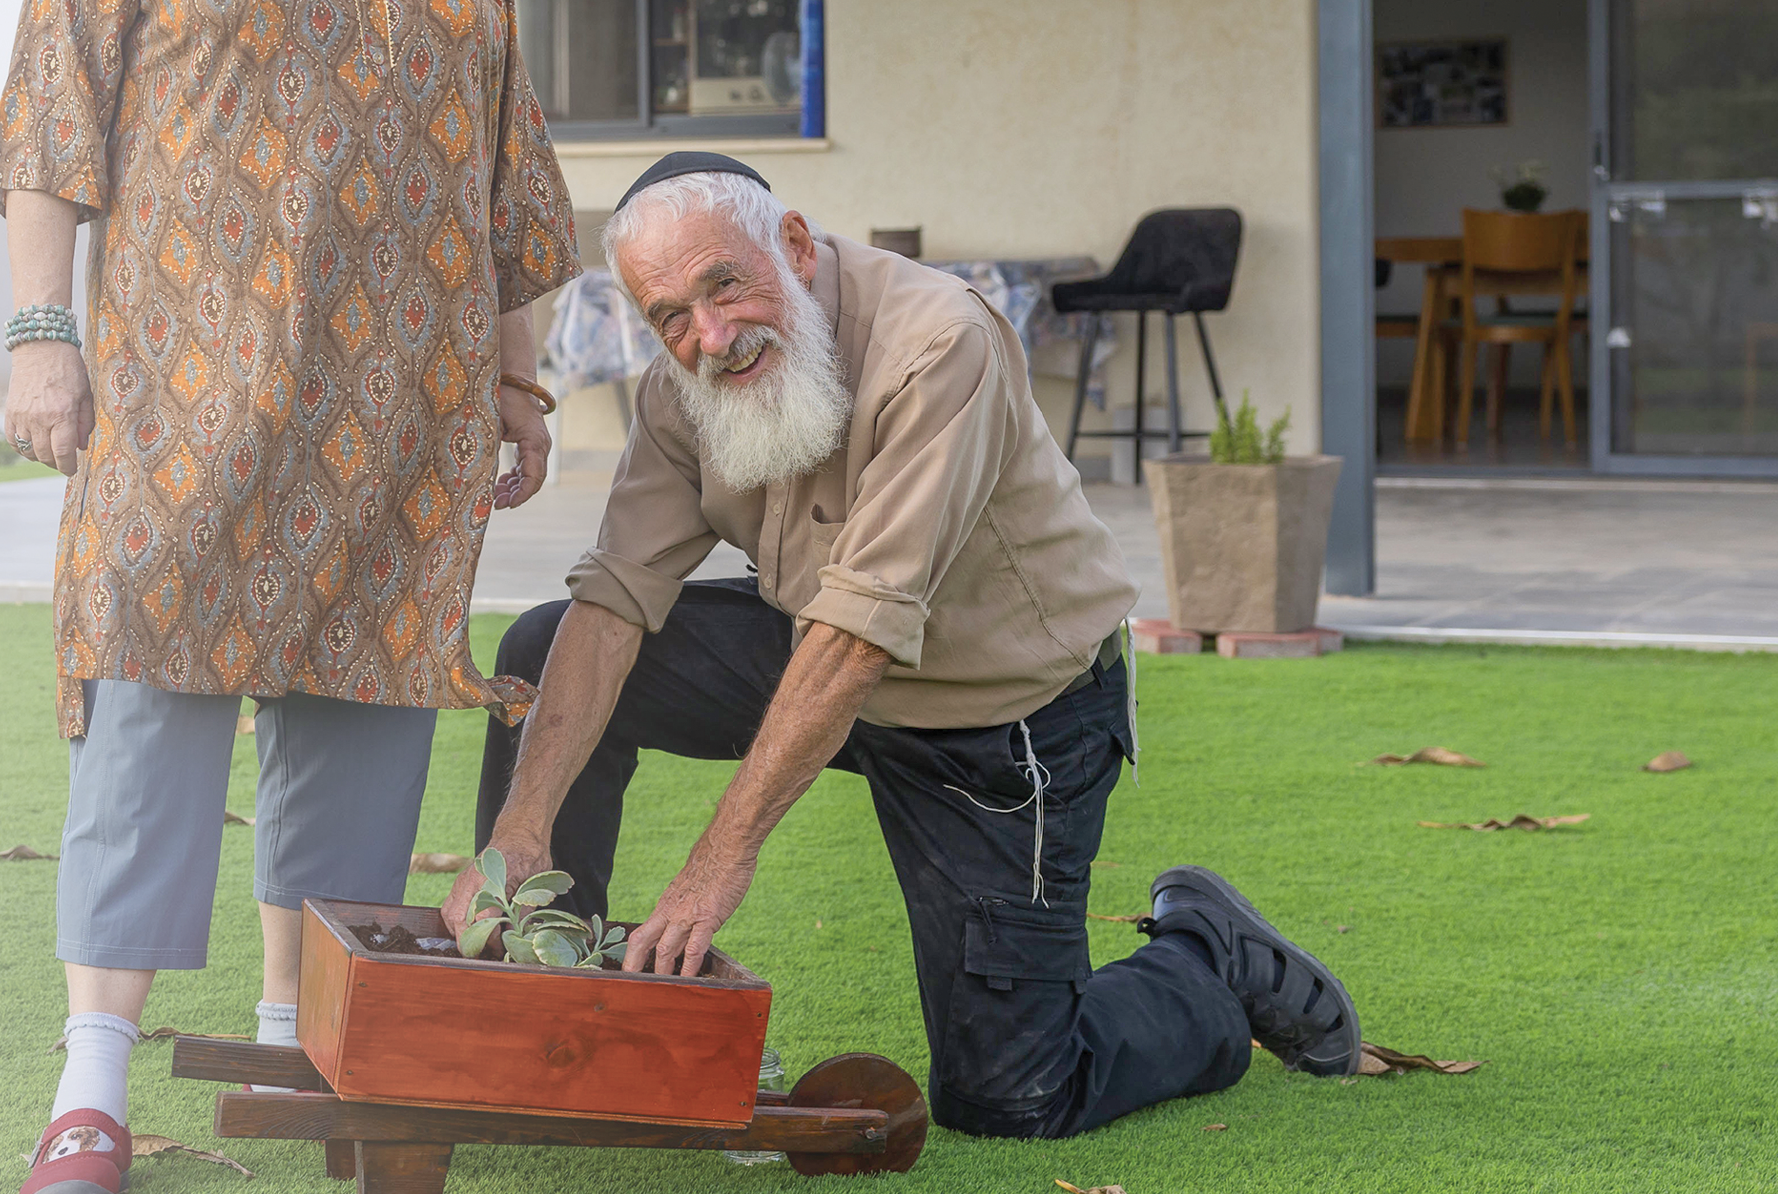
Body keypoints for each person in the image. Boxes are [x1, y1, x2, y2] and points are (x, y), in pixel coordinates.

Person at [0, 0, 580, 1194]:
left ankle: (299, 1045)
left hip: (406, 401)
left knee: (363, 718)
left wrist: (518, 374)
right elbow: (49, 121)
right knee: (152, 699)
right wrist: (45, 330)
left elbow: (505, 156)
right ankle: (89, 1089)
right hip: (184, 388)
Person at [466, 152, 1359, 1141]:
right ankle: (558, 1004)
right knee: (551, 639)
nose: (709, 335)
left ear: (795, 247)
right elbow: (615, 602)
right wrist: (518, 834)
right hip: (823, 650)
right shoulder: (683, 390)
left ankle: (1205, 954)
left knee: (1014, 1093)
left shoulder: (938, 342)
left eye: (724, 284)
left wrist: (717, 862)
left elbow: (860, 636)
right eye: (671, 314)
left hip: (1004, 719)